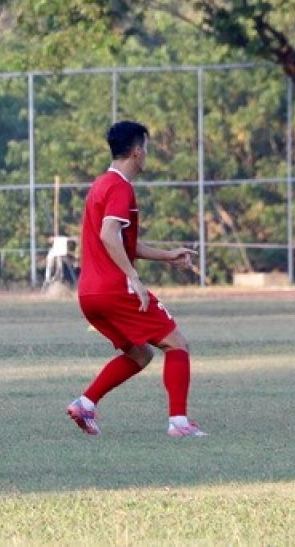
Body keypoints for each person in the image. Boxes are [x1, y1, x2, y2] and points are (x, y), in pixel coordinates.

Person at [67, 121, 205, 438]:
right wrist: (134, 278)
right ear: (136, 150)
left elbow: (124, 243)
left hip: (90, 294)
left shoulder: (100, 185)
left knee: (140, 354)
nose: (146, 156)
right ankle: (179, 424)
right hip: (115, 289)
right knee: (178, 344)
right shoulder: (119, 187)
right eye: (146, 149)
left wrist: (169, 255)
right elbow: (109, 234)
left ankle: (85, 404)